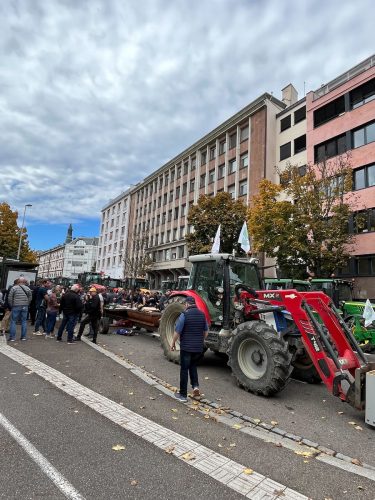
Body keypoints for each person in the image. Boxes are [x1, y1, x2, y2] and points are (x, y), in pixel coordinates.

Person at [170, 296, 208, 402]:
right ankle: (195, 388)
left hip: (186, 347)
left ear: (187, 304)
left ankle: (183, 395)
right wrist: (201, 340)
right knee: (193, 366)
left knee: (184, 369)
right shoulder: (202, 315)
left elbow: (177, 331)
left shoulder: (184, 315)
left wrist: (173, 343)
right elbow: (206, 331)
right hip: (198, 348)